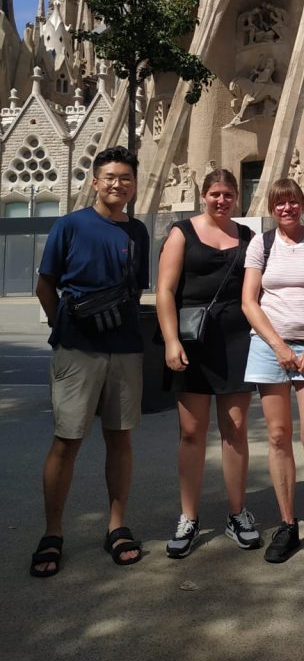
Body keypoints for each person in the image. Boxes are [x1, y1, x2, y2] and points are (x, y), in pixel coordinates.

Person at [31, 146, 150, 577]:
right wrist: (61, 323)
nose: (118, 184)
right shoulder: (70, 225)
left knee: (120, 438)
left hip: (125, 346)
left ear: (134, 185)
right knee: (67, 440)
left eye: (126, 178)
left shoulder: (137, 231)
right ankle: (53, 532)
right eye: (110, 177)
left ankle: (116, 526)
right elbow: (45, 285)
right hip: (77, 347)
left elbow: (135, 288)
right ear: (96, 181)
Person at [156, 169, 259, 559]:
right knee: (191, 432)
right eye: (215, 194)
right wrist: (170, 340)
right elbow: (165, 290)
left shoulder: (246, 236)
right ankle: (189, 517)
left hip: (235, 342)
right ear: (203, 195)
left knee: (235, 429)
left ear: (236, 197)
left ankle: (237, 513)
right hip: (192, 341)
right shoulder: (182, 233)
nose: (222, 200)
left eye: (228, 194)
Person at [241, 178, 304, 563]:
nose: (287, 209)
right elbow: (249, 301)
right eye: (280, 203)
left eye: (293, 202)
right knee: (278, 436)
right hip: (271, 347)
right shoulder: (261, 244)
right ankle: (287, 523)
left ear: (303, 204)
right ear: (272, 208)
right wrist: (278, 346)